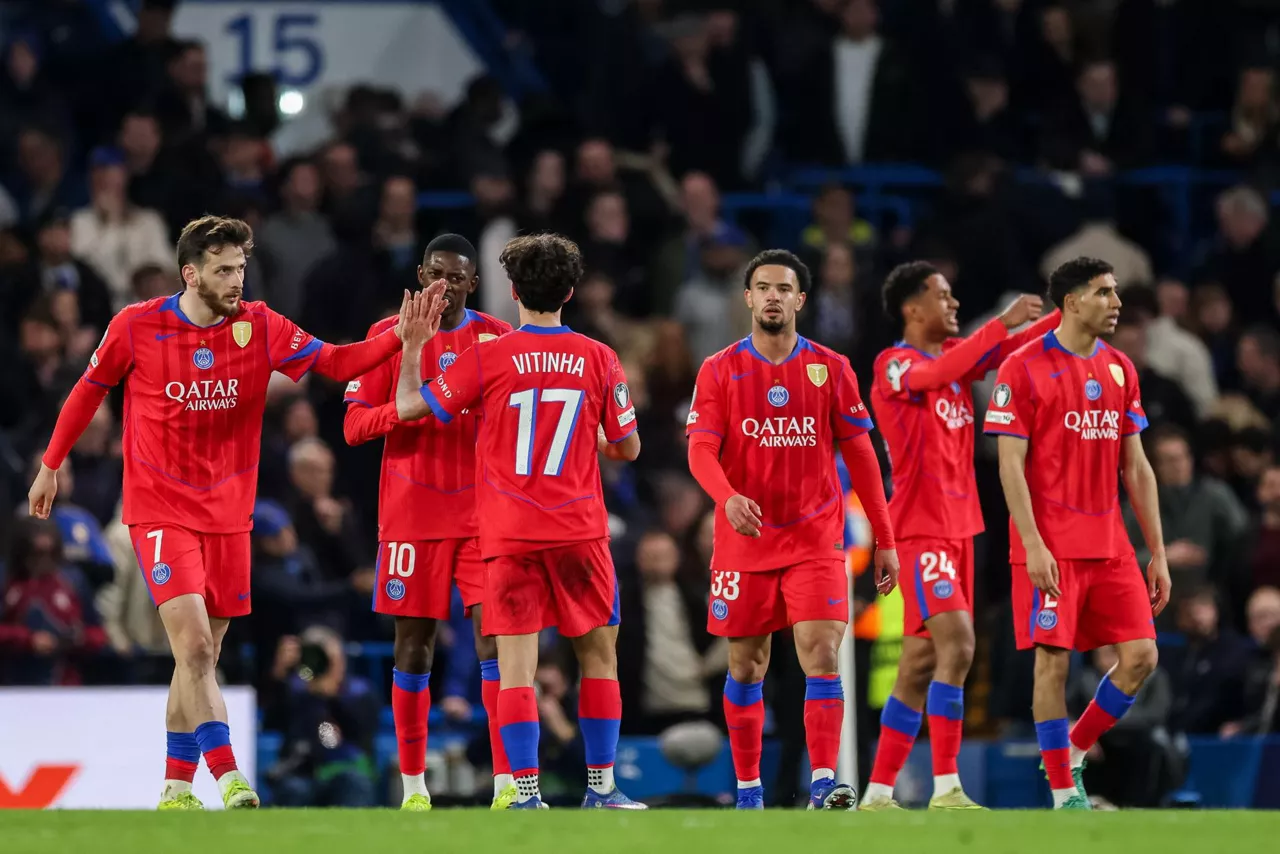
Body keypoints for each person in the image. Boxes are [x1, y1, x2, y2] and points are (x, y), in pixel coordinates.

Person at [27, 215, 420, 811]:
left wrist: (401, 334)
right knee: (196, 651)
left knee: (199, 657)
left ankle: (175, 787)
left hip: (231, 517)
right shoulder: (137, 326)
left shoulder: (260, 326)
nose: (237, 280)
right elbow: (88, 391)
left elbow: (337, 364)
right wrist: (51, 463)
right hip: (160, 510)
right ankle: (229, 774)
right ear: (191, 273)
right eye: (223, 270)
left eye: (239, 268)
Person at [392, 233, 645, 810]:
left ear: (511, 291)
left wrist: (411, 351)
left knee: (515, 670)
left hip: (508, 535)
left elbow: (411, 408)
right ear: (571, 291)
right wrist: (597, 441)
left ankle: (525, 793)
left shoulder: (490, 355)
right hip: (580, 530)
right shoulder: (599, 357)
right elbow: (629, 446)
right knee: (598, 658)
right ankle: (602, 788)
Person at [683, 248, 899, 811]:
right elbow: (701, 449)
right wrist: (726, 498)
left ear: (800, 300)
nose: (773, 296)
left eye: (784, 288)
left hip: (815, 539)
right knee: (745, 664)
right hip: (745, 541)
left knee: (821, 650)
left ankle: (825, 781)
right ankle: (750, 790)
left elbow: (864, 456)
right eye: (763, 287)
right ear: (749, 298)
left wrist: (885, 537)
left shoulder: (831, 367)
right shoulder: (719, 369)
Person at [863, 261, 1058, 810]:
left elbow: (1010, 351)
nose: (952, 305)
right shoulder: (893, 365)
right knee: (961, 643)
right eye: (943, 296)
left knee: (920, 663)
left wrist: (1064, 314)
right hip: (921, 528)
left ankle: (877, 794)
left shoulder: (957, 367)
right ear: (912, 308)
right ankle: (947, 787)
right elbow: (938, 372)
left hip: (962, 530)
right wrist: (1000, 321)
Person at [983, 256, 1171, 810]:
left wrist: (1156, 551)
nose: (1116, 303)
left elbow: (1135, 466)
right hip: (1050, 547)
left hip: (1110, 545)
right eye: (1104, 293)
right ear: (1071, 302)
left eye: (1115, 292)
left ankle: (1072, 749)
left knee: (1141, 657)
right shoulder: (1022, 368)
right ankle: (1065, 793)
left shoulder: (1120, 370)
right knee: (1053, 663)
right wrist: (1033, 544)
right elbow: (1008, 466)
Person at [342, 233, 515, 810]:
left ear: (472, 282)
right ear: (420, 274)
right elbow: (353, 427)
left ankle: (507, 782)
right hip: (412, 518)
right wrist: (410, 409)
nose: (443, 286)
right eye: (434, 274)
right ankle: (414, 786)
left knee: (497, 642)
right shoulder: (384, 336)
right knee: (413, 649)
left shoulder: (497, 339)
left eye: (456, 277)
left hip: (482, 519)